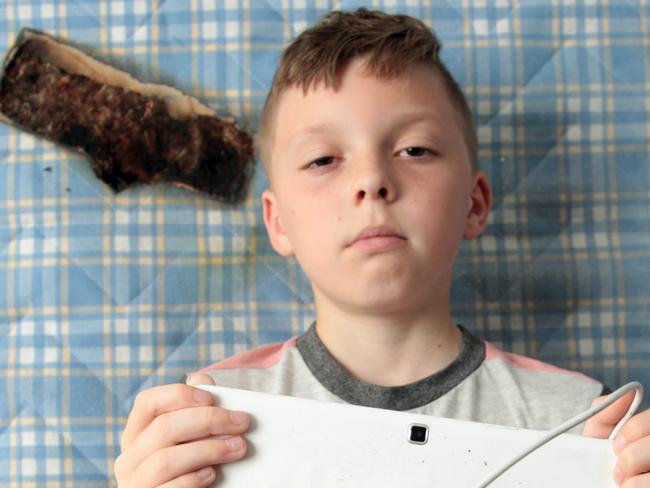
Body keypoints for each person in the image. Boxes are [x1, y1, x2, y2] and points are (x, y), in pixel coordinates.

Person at [114, 8, 650, 487]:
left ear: (474, 203)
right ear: (278, 223)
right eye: (324, 159)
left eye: (414, 149)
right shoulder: (206, 420)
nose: (372, 180)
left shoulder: (584, 425)